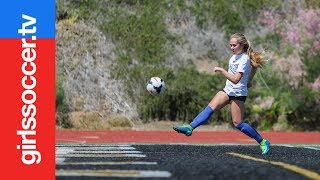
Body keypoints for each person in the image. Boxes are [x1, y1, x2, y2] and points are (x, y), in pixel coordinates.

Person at [173, 33, 270, 154]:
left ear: (242, 45)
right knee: (209, 108)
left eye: (234, 45)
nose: (232, 48)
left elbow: (235, 79)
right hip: (227, 90)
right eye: (230, 45)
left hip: (238, 94)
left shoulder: (244, 59)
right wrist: (248, 80)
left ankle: (262, 141)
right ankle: (189, 128)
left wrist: (222, 70)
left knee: (238, 124)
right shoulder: (234, 57)